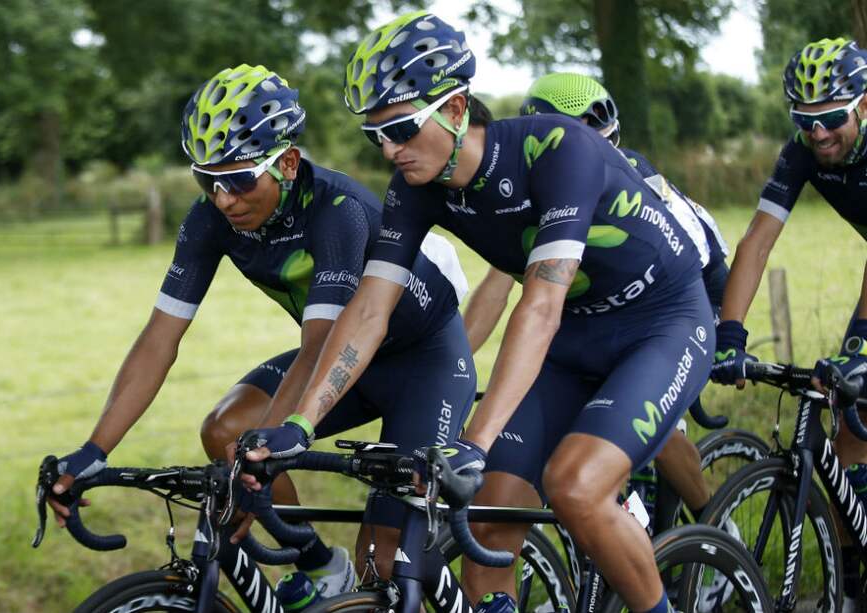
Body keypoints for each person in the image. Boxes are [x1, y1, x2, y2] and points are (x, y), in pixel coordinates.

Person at [242, 12, 712, 613]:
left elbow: (540, 304)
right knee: (489, 526)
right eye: (375, 135)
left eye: (404, 129)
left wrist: (476, 440)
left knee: (575, 486)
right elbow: (367, 314)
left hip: (662, 325)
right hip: (576, 340)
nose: (390, 149)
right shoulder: (414, 187)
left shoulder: (558, 149)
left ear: (457, 109)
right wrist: (299, 424)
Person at [47, 64, 475, 597]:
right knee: (227, 431)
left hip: (423, 363)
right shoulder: (209, 220)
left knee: (383, 558)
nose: (224, 198)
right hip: (339, 361)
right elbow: (160, 337)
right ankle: (320, 568)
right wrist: (94, 450)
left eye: (239, 179)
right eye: (207, 180)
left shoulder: (338, 210)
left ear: (288, 162)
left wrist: (262, 459)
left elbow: (319, 344)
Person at [464, 72, 729, 527]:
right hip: (592, 321)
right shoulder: (530, 185)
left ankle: (714, 520)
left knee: (648, 424)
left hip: (682, 298)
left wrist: (726, 332)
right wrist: (460, 363)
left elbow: (696, 253)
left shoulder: (631, 173)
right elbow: (498, 283)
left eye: (608, 142)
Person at [710, 37, 867, 611]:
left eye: (831, 118)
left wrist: (859, 347)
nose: (819, 133)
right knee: (849, 427)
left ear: (865, 105)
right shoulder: (801, 154)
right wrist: (730, 333)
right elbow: (755, 241)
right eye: (806, 121)